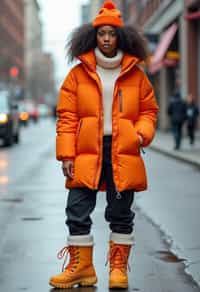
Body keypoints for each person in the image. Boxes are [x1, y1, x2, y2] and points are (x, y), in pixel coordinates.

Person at [49, 1, 159, 289]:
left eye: (112, 33)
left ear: (120, 36)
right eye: (102, 33)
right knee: (76, 209)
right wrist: (66, 155)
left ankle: (118, 270)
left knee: (121, 213)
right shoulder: (77, 74)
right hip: (86, 151)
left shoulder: (136, 74)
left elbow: (149, 110)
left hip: (123, 151)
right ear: (93, 36)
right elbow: (67, 117)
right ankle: (82, 267)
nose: (107, 38)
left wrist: (140, 134)